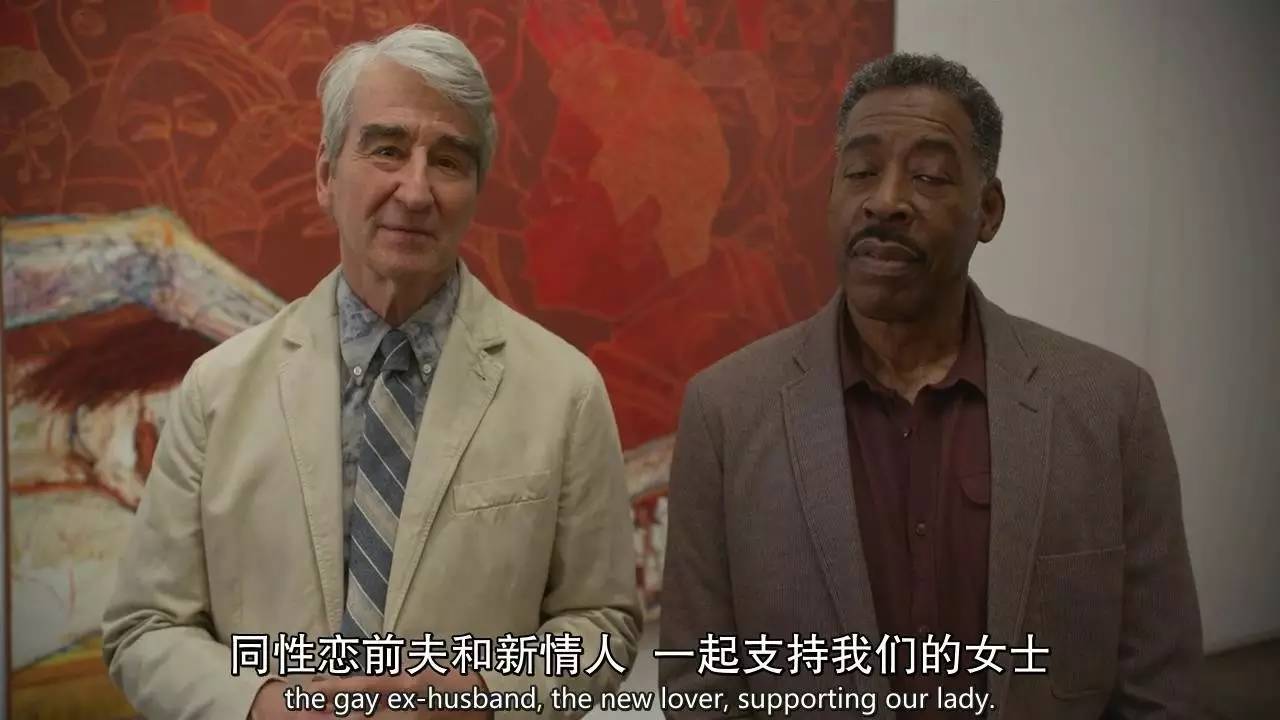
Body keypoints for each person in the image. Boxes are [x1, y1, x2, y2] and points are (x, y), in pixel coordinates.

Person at [102, 25, 641, 720]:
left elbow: (602, 621)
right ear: (325, 174)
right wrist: (257, 705)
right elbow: (145, 626)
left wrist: (483, 698)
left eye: (448, 160)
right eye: (386, 149)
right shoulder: (217, 389)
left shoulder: (564, 391)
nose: (415, 190)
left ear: (477, 189)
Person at [659, 52, 1203, 719]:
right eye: (860, 171)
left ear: (989, 211)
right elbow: (699, 683)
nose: (886, 201)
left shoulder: (1110, 406)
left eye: (929, 176)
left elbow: (1160, 685)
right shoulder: (726, 410)